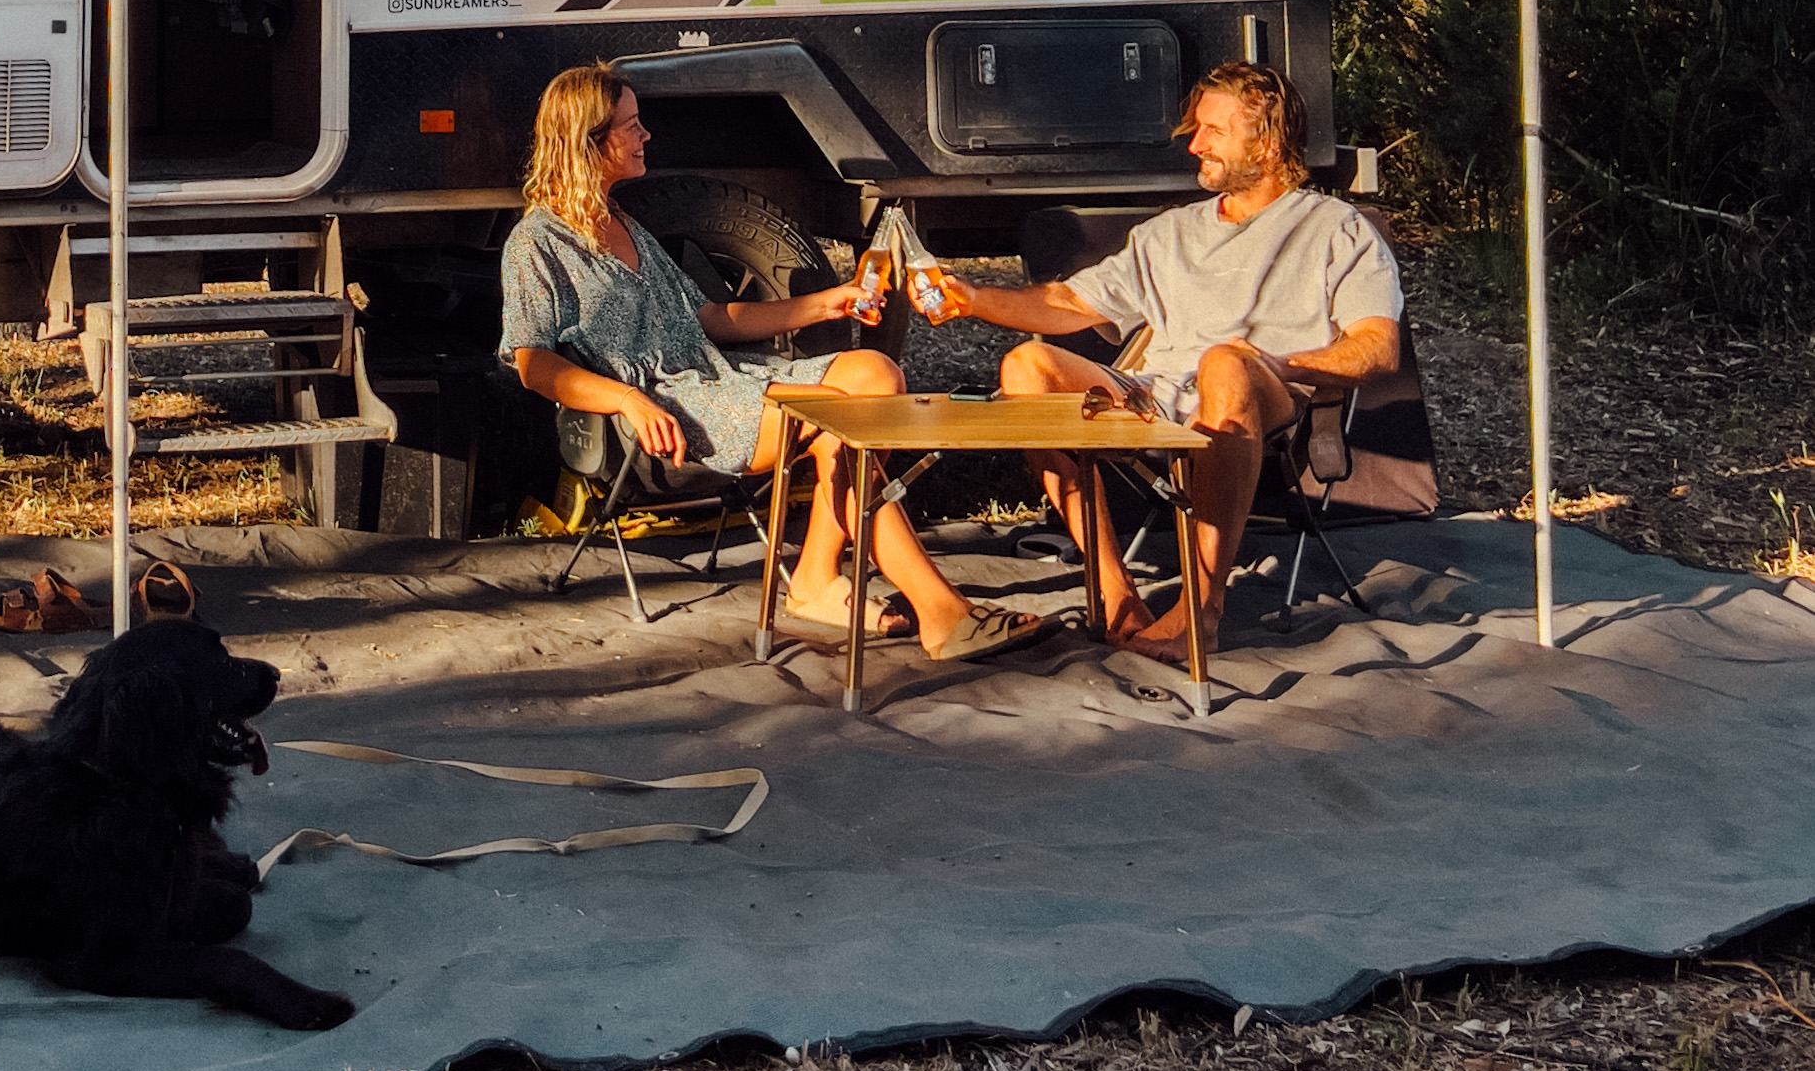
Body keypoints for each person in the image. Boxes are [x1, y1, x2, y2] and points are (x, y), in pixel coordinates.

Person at [499, 62, 1047, 665]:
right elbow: (533, 362)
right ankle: (938, 610)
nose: (646, 135)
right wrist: (628, 398)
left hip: (720, 382)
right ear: (588, 140)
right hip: (665, 413)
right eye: (630, 125)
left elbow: (709, 319)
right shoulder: (537, 243)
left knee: (875, 376)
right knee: (847, 424)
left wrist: (824, 304)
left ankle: (816, 578)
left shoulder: (624, 223)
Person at [919, 61, 1402, 659]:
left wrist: (1279, 364)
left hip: (1266, 389)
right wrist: (973, 300)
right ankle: (1113, 587)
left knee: (1224, 363)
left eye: (1213, 132)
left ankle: (1201, 610)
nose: (1194, 144)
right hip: (1158, 396)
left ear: (1268, 140)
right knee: (1027, 367)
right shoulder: (1169, 233)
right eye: (1196, 129)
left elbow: (1377, 346)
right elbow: (1068, 302)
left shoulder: (1335, 228)